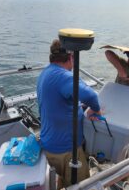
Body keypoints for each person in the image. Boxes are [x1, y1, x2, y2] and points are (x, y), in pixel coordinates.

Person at [37, 39, 102, 189]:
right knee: (80, 185)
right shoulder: (64, 77)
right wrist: (96, 110)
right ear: (71, 57)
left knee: (60, 182)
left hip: (48, 144)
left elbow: (59, 100)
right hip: (66, 151)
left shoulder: (45, 73)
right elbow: (92, 96)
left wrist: (79, 106)